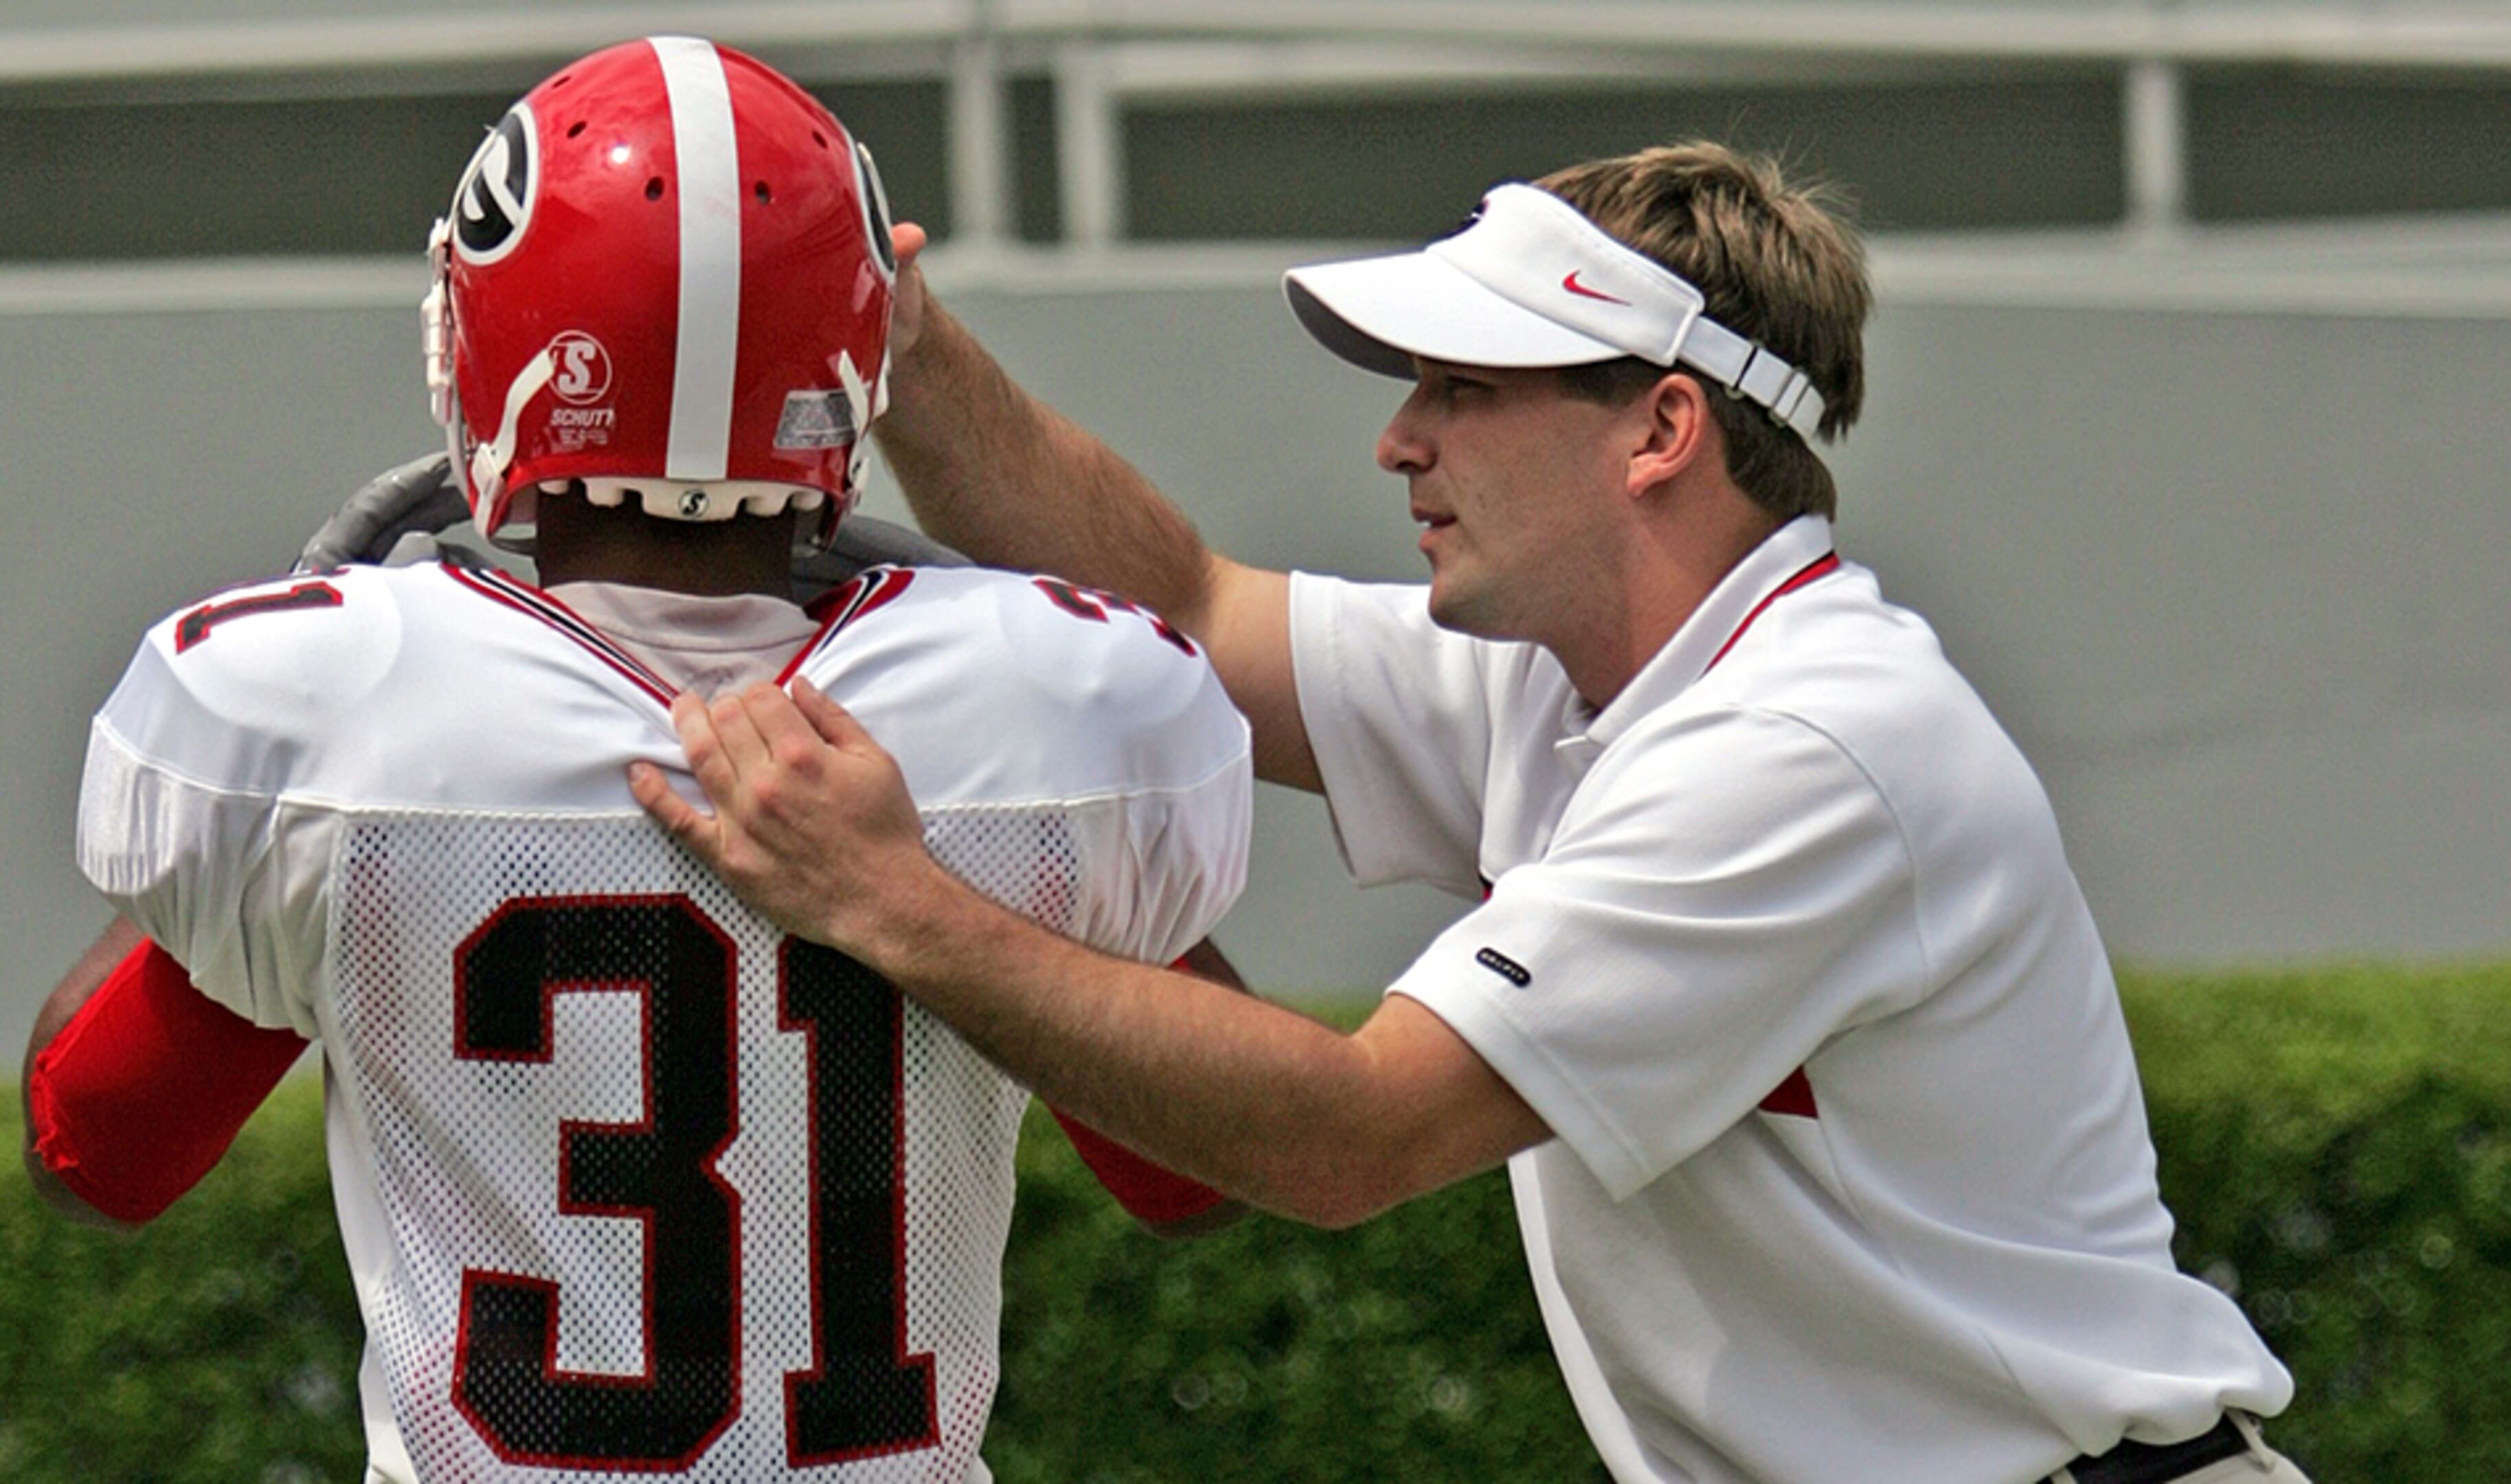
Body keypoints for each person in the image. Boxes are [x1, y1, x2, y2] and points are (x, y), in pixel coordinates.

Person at [631, 142, 2310, 1483]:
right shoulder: (1580, 671)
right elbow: (1184, 608)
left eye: (1469, 386)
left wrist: (894, 902)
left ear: (1662, 429)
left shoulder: (1805, 747)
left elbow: (1352, 1135)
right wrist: (910, 352)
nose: (1398, 440)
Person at [22, 36, 1251, 1482]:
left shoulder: (339, 710)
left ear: (489, 344)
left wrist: (287, 877)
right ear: (857, 362)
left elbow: (91, 1152)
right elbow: (1198, 1171)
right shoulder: (1047, 699)